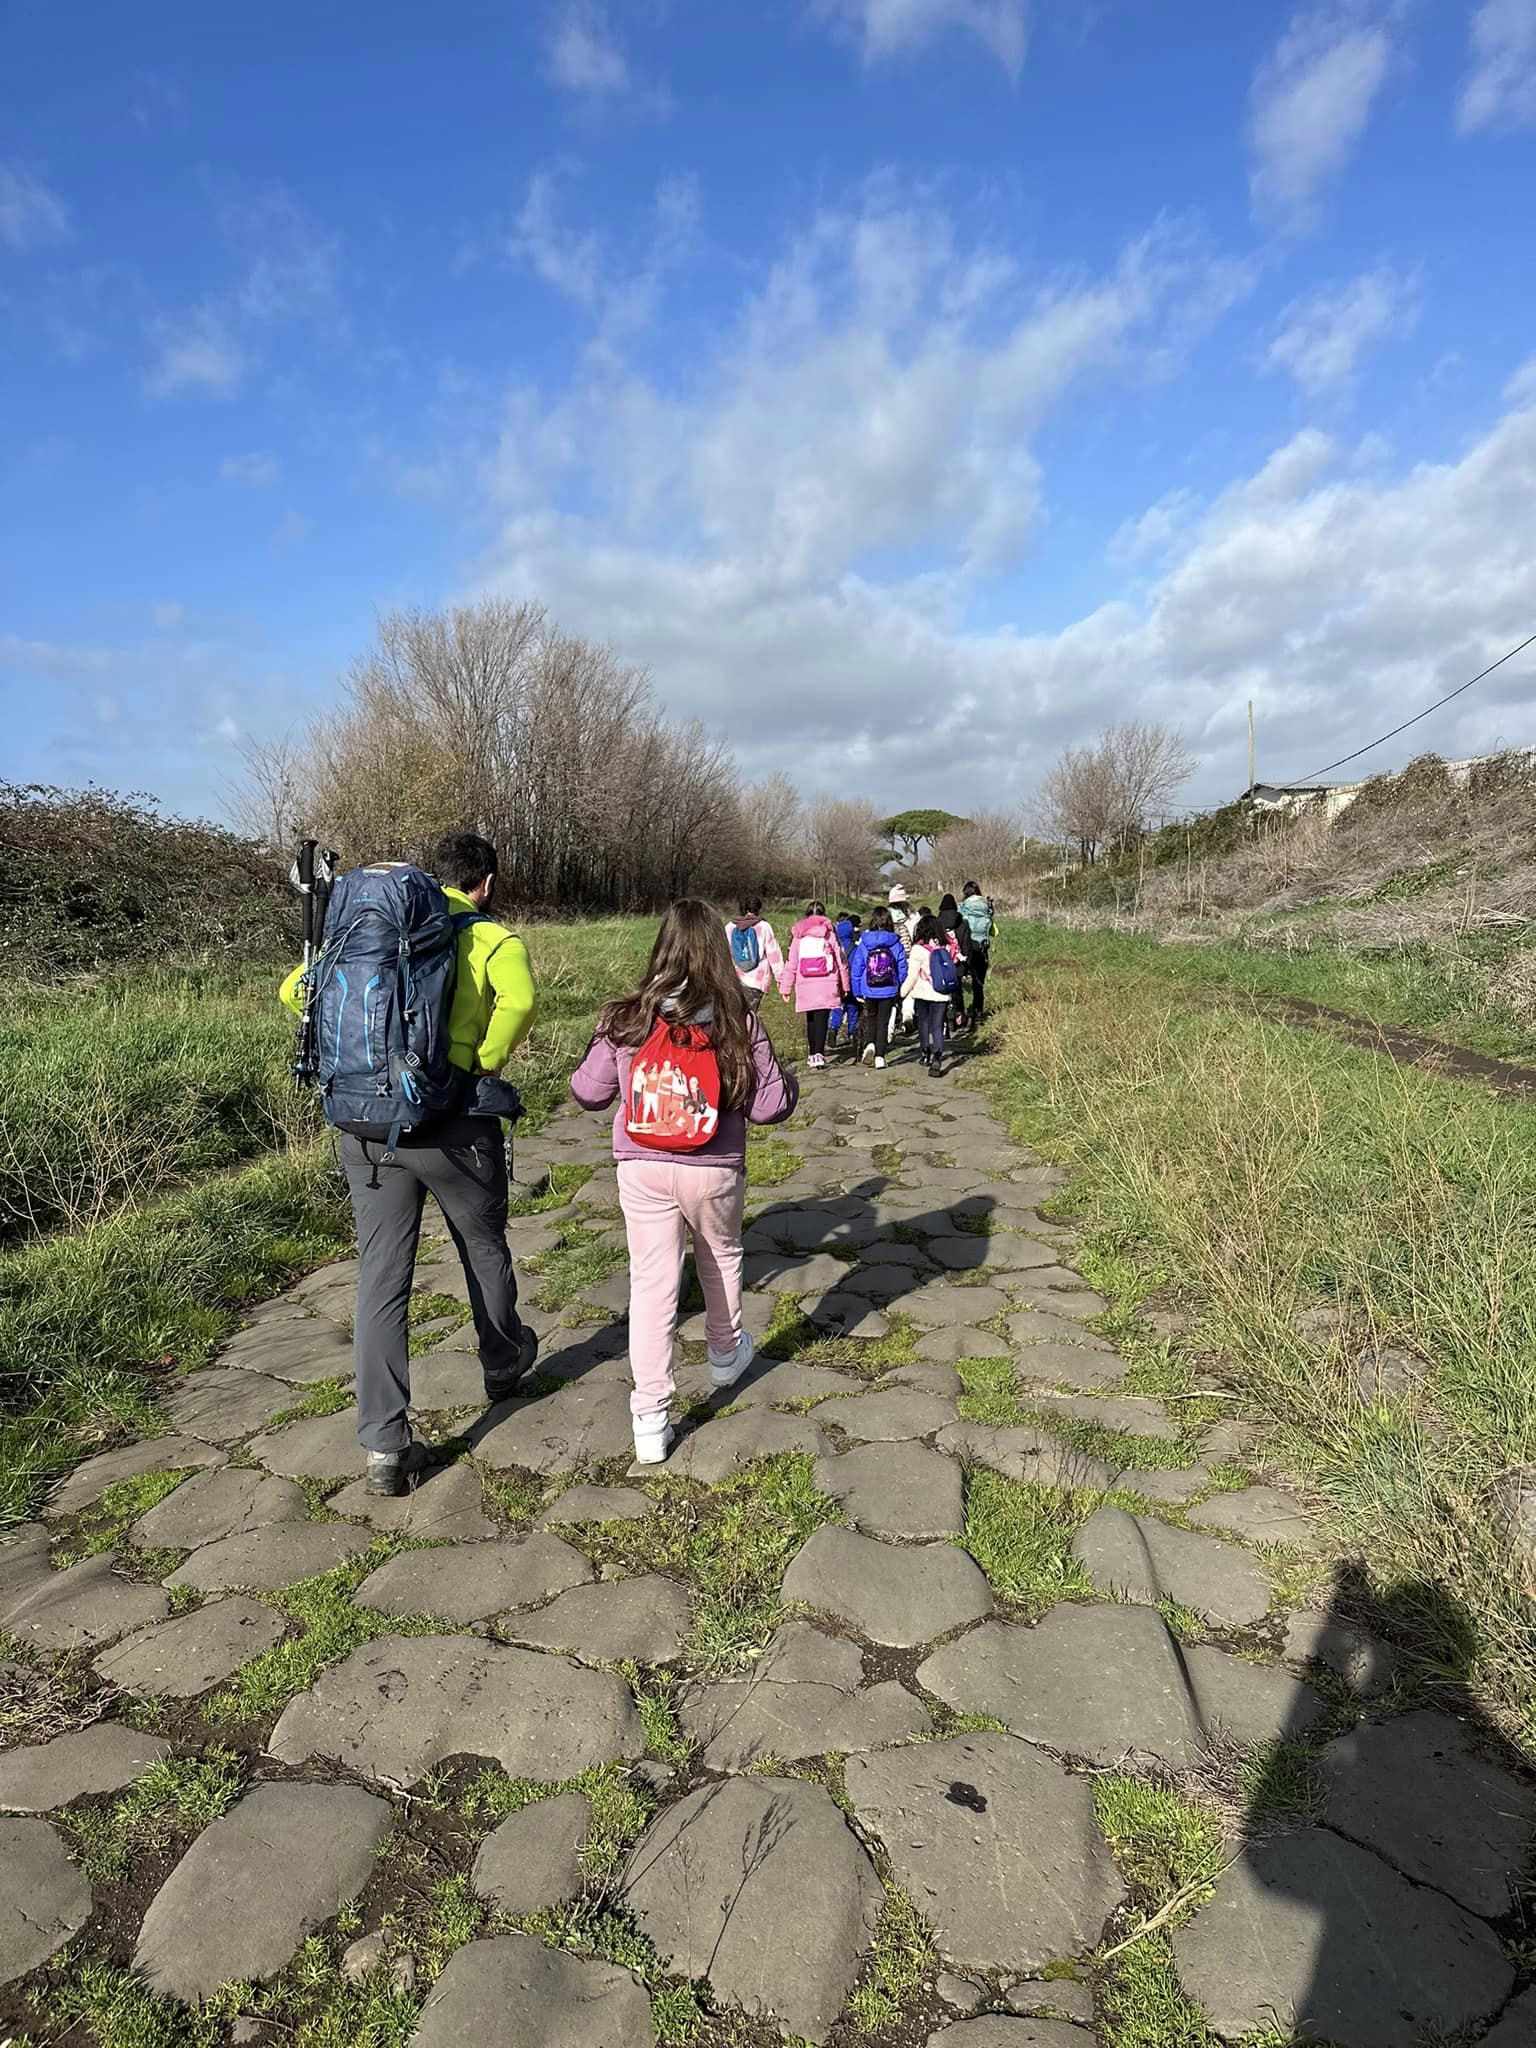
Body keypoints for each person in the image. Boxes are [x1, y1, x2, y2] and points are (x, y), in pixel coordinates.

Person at [279, 832, 539, 1497]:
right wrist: (478, 1064)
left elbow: (293, 993)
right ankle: (503, 1360)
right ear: (485, 883)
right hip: (454, 1128)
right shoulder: (492, 940)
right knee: (482, 1245)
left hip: (366, 1129)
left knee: (381, 1277)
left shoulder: (368, 929)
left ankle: (385, 1445)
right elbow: (522, 1003)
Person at [570, 900, 798, 1464]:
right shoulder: (738, 1016)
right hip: (714, 1166)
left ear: (661, 947)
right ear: (719, 951)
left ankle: (650, 1418)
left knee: (652, 1284)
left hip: (642, 1164)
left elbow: (588, 1092)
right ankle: (724, 1355)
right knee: (719, 1256)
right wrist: (787, 1081)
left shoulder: (627, 1016)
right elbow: (769, 1106)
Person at [778, 900, 849, 1070]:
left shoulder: (798, 936)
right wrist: (845, 986)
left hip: (806, 983)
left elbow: (791, 963)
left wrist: (785, 987)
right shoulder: (829, 934)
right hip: (827, 982)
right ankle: (819, 1053)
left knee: (810, 1018)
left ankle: (811, 1054)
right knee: (822, 1018)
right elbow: (841, 961)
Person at [846, 908, 908, 1069]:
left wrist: (857, 990)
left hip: (869, 988)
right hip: (889, 988)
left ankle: (870, 1044)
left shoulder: (865, 942)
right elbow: (902, 968)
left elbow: (857, 969)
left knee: (871, 1018)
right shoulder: (896, 942)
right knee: (883, 1022)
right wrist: (898, 985)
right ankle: (880, 1056)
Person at [902, 912, 961, 1076]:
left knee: (924, 1023)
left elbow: (912, 976)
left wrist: (901, 994)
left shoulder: (917, 950)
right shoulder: (946, 947)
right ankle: (938, 1057)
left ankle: (925, 1053)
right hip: (941, 993)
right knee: (937, 1025)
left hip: (922, 993)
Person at [725, 896, 783, 1012]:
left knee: (734, 1016)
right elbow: (774, 954)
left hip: (733, 980)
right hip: (756, 981)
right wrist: (780, 978)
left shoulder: (729, 927)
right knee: (750, 1017)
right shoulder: (763, 927)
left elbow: (723, 954)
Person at [959, 880, 995, 1024]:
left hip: (967, 948)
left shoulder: (963, 907)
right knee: (978, 983)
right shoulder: (987, 907)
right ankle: (978, 1014)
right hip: (982, 948)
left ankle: (959, 1014)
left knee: (959, 981)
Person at [936, 892, 973, 1030]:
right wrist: (966, 966)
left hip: (942, 963)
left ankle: (946, 1019)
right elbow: (966, 946)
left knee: (943, 991)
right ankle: (959, 1015)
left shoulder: (937, 923)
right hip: (958, 964)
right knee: (957, 991)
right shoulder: (962, 923)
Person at [830, 909, 862, 1050]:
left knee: (837, 1008)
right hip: (852, 985)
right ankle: (852, 1033)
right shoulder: (856, 949)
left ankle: (833, 1028)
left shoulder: (833, 948)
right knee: (853, 1009)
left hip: (838, 984)